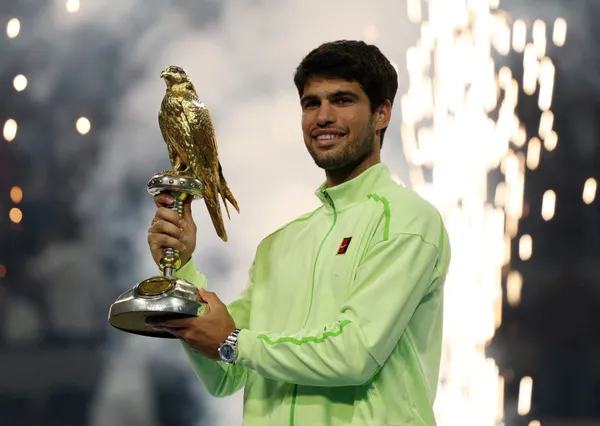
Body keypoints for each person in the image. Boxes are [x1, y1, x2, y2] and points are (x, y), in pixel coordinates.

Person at [147, 40, 451, 426]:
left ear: (381, 114)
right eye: (311, 103)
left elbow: (354, 354)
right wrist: (182, 268)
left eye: (342, 100)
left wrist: (234, 343)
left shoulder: (407, 220)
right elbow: (225, 372)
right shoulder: (278, 246)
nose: (323, 116)